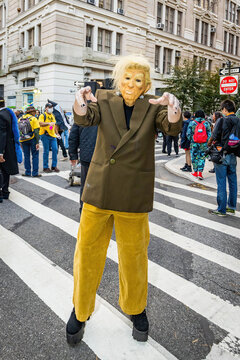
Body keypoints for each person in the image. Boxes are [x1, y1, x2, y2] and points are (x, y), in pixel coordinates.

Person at [66, 55, 182, 345]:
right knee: (87, 253)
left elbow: (171, 128)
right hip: (99, 190)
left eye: (138, 80)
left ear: (146, 85)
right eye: (128, 78)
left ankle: (136, 309)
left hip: (133, 193)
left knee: (134, 258)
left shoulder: (153, 105)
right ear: (120, 80)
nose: (132, 84)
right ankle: (81, 311)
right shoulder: (104, 99)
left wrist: (173, 106)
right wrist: (80, 99)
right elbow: (84, 117)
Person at [208, 99, 239, 216]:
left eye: (223, 109)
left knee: (221, 182)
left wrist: (209, 144)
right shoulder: (238, 121)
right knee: (233, 181)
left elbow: (214, 136)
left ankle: (221, 209)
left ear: (225, 109)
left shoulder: (222, 120)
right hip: (233, 155)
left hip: (221, 154)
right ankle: (231, 207)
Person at [68, 124, 97, 214]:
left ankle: (84, 211)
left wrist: (73, 154)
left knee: (86, 187)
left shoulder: (84, 111)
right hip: (103, 156)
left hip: (88, 154)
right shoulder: (110, 111)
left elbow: (73, 134)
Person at [0, 97, 22, 202]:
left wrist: (0, 152)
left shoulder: (1, 115)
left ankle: (2, 193)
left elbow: (2, 135)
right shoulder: (8, 113)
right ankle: (5, 191)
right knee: (5, 171)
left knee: (2, 170)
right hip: (9, 146)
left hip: (3, 147)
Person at [187, 109, 211, 180]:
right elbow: (209, 134)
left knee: (194, 157)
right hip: (203, 144)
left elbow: (188, 134)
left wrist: (192, 140)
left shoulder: (192, 123)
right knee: (202, 157)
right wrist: (206, 142)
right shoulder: (206, 123)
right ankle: (200, 173)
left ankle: (195, 172)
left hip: (194, 143)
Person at [18, 106, 41, 177]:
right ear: (32, 112)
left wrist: (20, 141)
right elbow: (36, 131)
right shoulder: (33, 119)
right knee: (35, 155)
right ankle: (35, 173)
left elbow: (19, 131)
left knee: (26, 156)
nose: (35, 113)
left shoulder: (20, 119)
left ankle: (27, 172)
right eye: (34, 112)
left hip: (24, 139)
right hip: (32, 139)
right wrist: (37, 142)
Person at [39, 103, 60, 173]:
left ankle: (54, 166)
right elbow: (40, 123)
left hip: (52, 135)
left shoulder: (52, 115)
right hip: (45, 135)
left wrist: (57, 133)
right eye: (49, 107)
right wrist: (48, 124)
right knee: (46, 151)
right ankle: (45, 167)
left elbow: (54, 125)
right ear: (46, 108)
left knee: (55, 149)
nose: (51, 109)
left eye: (52, 107)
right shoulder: (43, 115)